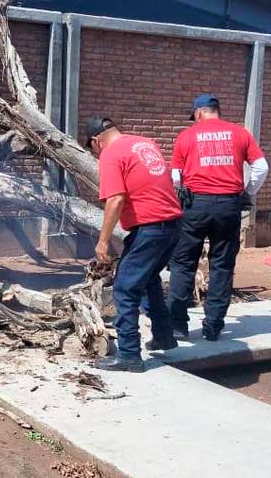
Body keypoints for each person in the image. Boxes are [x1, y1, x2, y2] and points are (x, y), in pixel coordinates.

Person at [85, 116, 183, 373]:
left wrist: (103, 242)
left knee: (125, 288)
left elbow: (116, 199)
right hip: (172, 224)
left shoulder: (110, 153)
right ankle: (164, 335)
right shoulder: (145, 143)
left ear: (96, 142)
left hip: (150, 228)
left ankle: (129, 355)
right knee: (149, 278)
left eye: (92, 149)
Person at [168, 94, 268, 341]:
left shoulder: (187, 136)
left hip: (195, 205)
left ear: (199, 113)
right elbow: (262, 166)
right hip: (228, 205)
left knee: (183, 263)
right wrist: (248, 192)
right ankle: (213, 326)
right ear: (217, 111)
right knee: (222, 265)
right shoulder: (240, 133)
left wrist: (183, 193)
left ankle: (178, 325)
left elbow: (175, 175)